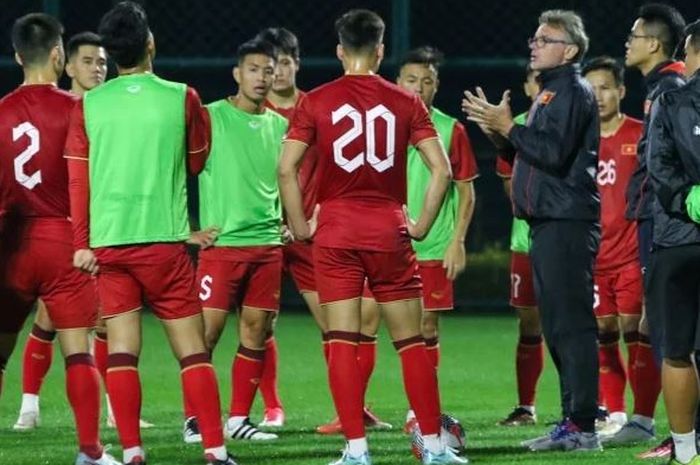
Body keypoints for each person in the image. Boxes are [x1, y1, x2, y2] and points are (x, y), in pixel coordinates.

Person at [279, 9, 464, 465]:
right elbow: (442, 169)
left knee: (343, 338)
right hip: (388, 230)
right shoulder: (406, 102)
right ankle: (436, 449)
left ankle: (357, 451)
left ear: (340, 51)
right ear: (381, 51)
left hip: (336, 233)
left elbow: (285, 168)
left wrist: (301, 227)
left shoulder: (315, 101)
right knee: (411, 343)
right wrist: (420, 225)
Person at [65, 2, 236, 464]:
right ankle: (216, 452)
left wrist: (82, 242)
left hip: (110, 245)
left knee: (121, 352)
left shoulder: (89, 104)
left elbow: (77, 179)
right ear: (150, 44)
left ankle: (134, 452)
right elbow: (198, 159)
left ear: (111, 53)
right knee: (193, 353)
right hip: (164, 243)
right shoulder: (183, 96)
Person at [463, 9, 601, 452]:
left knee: (572, 327)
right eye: (535, 37)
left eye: (546, 38)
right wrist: (501, 136)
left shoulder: (571, 91)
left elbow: (555, 154)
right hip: (547, 222)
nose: (534, 44)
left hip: (566, 222)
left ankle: (583, 427)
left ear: (571, 50)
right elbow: (536, 154)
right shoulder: (549, 93)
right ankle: (572, 423)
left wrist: (509, 127)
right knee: (558, 328)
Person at [256, 26, 390, 435]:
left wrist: (310, 219)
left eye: (284, 62)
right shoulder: (249, 114)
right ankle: (269, 408)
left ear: (297, 64)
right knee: (258, 323)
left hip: (311, 235)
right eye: (269, 64)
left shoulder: (318, 107)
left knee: (348, 324)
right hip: (262, 233)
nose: (276, 72)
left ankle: (352, 410)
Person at [0, 13, 119, 465]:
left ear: (16, 56)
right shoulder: (78, 109)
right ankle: (90, 451)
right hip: (65, 242)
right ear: (57, 55)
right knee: (78, 353)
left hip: (10, 242)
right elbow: (97, 180)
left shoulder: (1, 112)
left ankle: (30, 412)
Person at [189, 38, 286, 443]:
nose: (262, 78)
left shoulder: (281, 125)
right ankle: (195, 420)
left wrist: (291, 221)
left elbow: (291, 178)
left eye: (269, 70)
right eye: (253, 69)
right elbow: (176, 172)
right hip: (221, 247)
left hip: (267, 246)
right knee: (204, 337)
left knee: (256, 333)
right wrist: (185, 230)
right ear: (236, 73)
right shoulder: (210, 117)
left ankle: (238, 420)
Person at [396, 45, 478, 430]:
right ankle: (353, 413)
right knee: (359, 326)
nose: (419, 88)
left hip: (431, 246)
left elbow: (466, 190)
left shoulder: (450, 129)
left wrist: (456, 240)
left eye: (427, 81)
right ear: (397, 82)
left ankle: (420, 409)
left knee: (426, 327)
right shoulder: (382, 125)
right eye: (412, 80)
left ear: (437, 86)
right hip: (386, 242)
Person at [620, 4, 687, 457]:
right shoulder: (660, 87)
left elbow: (665, 164)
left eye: (635, 34)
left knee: (673, 333)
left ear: (655, 44)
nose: (629, 41)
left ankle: (684, 433)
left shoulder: (670, 89)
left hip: (670, 226)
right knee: (662, 327)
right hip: (663, 221)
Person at [581, 57, 648, 441]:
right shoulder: (578, 137)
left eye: (606, 86)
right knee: (603, 332)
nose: (599, 95)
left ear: (621, 91)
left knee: (634, 329)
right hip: (593, 257)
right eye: (591, 88)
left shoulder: (639, 134)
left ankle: (642, 417)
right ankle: (617, 412)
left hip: (632, 254)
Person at [646, 18, 700, 465]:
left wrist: (689, 198)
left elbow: (659, 167)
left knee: (678, 348)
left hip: (680, 238)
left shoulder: (672, 100)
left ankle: (684, 452)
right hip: (682, 236)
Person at [495, 65, 544, 427]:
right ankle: (526, 406)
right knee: (529, 324)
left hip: (567, 239)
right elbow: (512, 193)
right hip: (525, 242)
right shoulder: (516, 126)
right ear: (528, 85)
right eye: (534, 79)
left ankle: (598, 406)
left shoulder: (571, 118)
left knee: (574, 324)